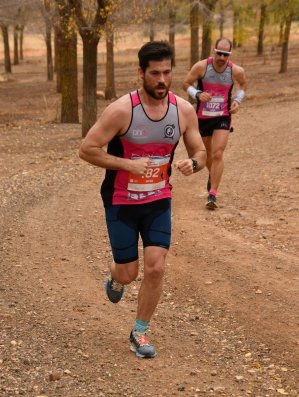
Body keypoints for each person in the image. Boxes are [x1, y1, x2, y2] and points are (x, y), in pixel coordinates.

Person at [78, 41, 206, 359]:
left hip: (158, 200)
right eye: (155, 74)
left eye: (166, 72)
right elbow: (87, 149)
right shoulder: (123, 110)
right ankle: (115, 275)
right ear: (141, 74)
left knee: (156, 268)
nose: (162, 80)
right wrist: (127, 164)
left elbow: (201, 151)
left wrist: (195, 164)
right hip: (121, 201)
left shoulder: (183, 111)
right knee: (129, 272)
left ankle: (140, 331)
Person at [182, 38, 247, 210]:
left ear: (229, 55)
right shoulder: (201, 67)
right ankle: (213, 175)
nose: (222, 57)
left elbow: (243, 86)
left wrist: (238, 102)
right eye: (219, 53)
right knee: (208, 154)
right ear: (214, 51)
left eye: (225, 55)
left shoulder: (236, 71)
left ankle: (213, 194)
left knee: (218, 153)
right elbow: (185, 84)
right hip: (203, 118)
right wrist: (197, 94)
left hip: (222, 117)